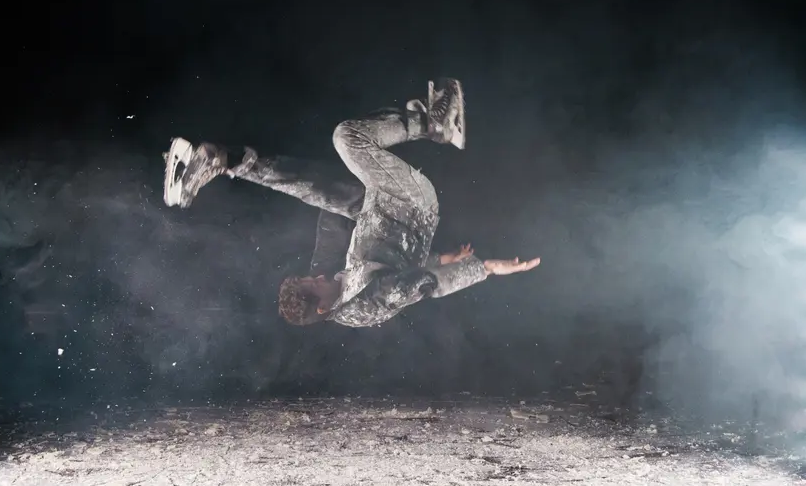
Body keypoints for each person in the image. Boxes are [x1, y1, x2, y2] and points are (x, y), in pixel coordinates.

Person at [163, 78, 540, 327]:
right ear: (325, 308)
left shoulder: (324, 273)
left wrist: (444, 257)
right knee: (347, 138)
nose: (321, 276)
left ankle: (227, 162)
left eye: (312, 276)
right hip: (410, 206)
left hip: (372, 209)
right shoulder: (365, 305)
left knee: (321, 196)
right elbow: (422, 284)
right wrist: (482, 268)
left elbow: (328, 216)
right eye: (318, 284)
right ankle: (433, 123)